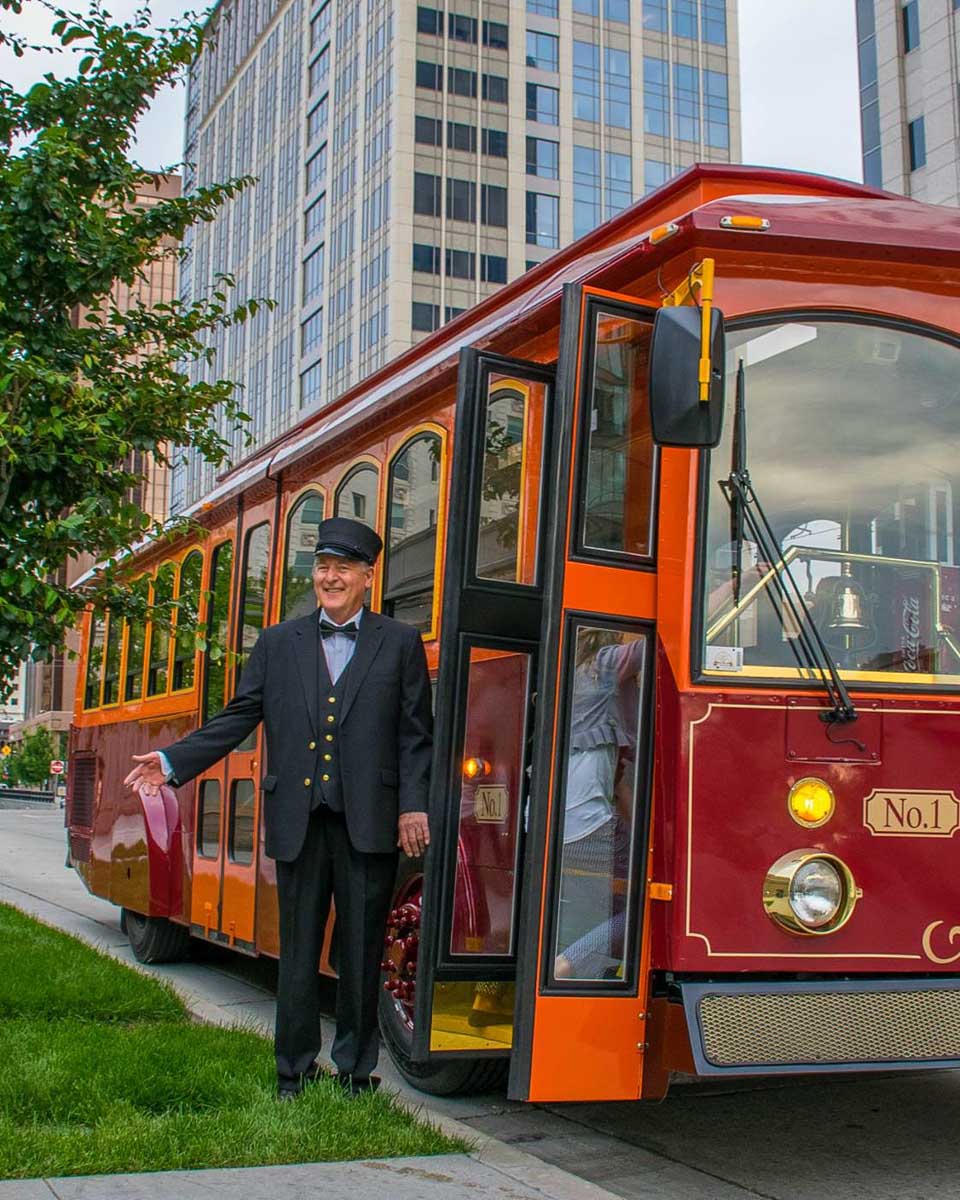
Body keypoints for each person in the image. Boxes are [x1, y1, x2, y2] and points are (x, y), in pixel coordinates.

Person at [124, 516, 433, 1099]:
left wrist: (412, 807)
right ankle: (292, 1071)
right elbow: (238, 717)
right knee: (296, 953)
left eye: (343, 568)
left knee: (363, 950)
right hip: (299, 819)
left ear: (368, 576)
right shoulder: (276, 643)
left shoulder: (400, 642)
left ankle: (355, 1073)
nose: (330, 577)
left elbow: (416, 735)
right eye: (322, 567)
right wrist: (170, 763)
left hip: (369, 820)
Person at [554, 629, 645, 981]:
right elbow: (667, 637)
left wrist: (639, 839)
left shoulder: (567, 680)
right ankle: (569, 963)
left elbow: (620, 787)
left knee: (607, 900)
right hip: (587, 826)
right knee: (647, 899)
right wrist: (738, 583)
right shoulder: (602, 668)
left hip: (553, 824)